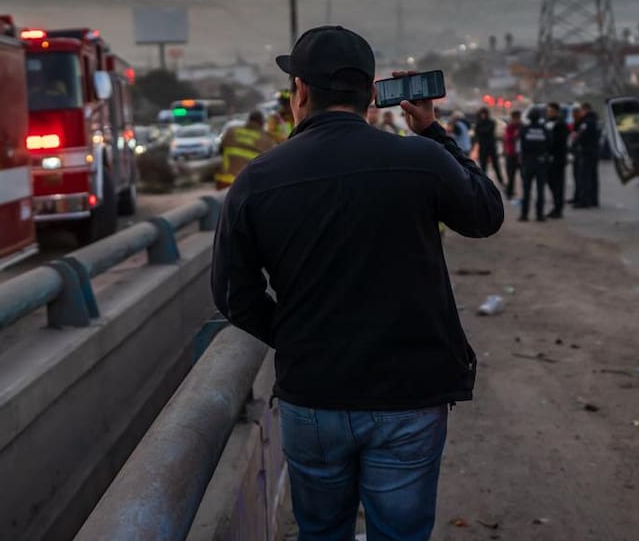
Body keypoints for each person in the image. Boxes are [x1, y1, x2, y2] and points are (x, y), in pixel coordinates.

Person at [211, 26, 503, 541]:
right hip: (411, 393)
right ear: (372, 94)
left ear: (300, 91)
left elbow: (234, 294)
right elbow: (485, 214)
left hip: (315, 394)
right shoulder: (422, 161)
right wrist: (433, 133)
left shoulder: (257, 179)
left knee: (322, 532)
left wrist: (298, 336)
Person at [214, 110, 276, 190]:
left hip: (225, 181)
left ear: (249, 120)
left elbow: (220, 150)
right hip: (248, 186)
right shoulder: (267, 140)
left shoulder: (231, 131)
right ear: (261, 123)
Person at [518, 105, 550, 222]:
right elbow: (549, 145)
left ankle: (524, 214)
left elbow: (520, 146)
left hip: (528, 163)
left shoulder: (525, 129)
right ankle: (539, 215)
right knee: (540, 190)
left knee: (526, 190)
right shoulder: (544, 130)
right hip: (541, 163)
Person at [573, 102, 601, 208]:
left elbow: (581, 136)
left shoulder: (587, 122)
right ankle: (593, 200)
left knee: (584, 177)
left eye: (581, 110)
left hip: (586, 152)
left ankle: (584, 201)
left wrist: (576, 138)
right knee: (593, 177)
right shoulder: (595, 120)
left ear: (585, 110)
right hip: (594, 151)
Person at [544, 102, 569, 219]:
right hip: (549, 160)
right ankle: (556, 206)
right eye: (548, 111)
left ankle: (558, 209)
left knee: (558, 185)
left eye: (551, 111)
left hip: (557, 160)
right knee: (552, 184)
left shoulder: (560, 125)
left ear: (556, 112)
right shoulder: (547, 123)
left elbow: (559, 143)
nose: (549, 113)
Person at [473, 107, 504, 183]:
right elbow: (477, 131)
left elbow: (487, 130)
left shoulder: (491, 122)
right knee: (483, 166)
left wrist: (481, 129)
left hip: (491, 147)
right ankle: (484, 182)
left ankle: (501, 181)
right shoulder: (479, 122)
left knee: (496, 165)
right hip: (483, 147)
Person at [503, 109, 522, 200]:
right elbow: (507, 139)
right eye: (515, 118)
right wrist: (515, 135)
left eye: (517, 118)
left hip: (521, 155)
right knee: (511, 175)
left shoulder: (522, 126)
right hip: (511, 155)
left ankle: (524, 193)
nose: (516, 120)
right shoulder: (509, 127)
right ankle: (509, 193)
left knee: (523, 176)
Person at [569, 105, 585, 205]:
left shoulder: (582, 123)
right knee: (575, 176)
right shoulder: (575, 123)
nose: (574, 116)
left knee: (580, 177)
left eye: (576, 114)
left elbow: (579, 137)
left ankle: (580, 198)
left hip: (580, 153)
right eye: (573, 114)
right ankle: (576, 196)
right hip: (575, 152)